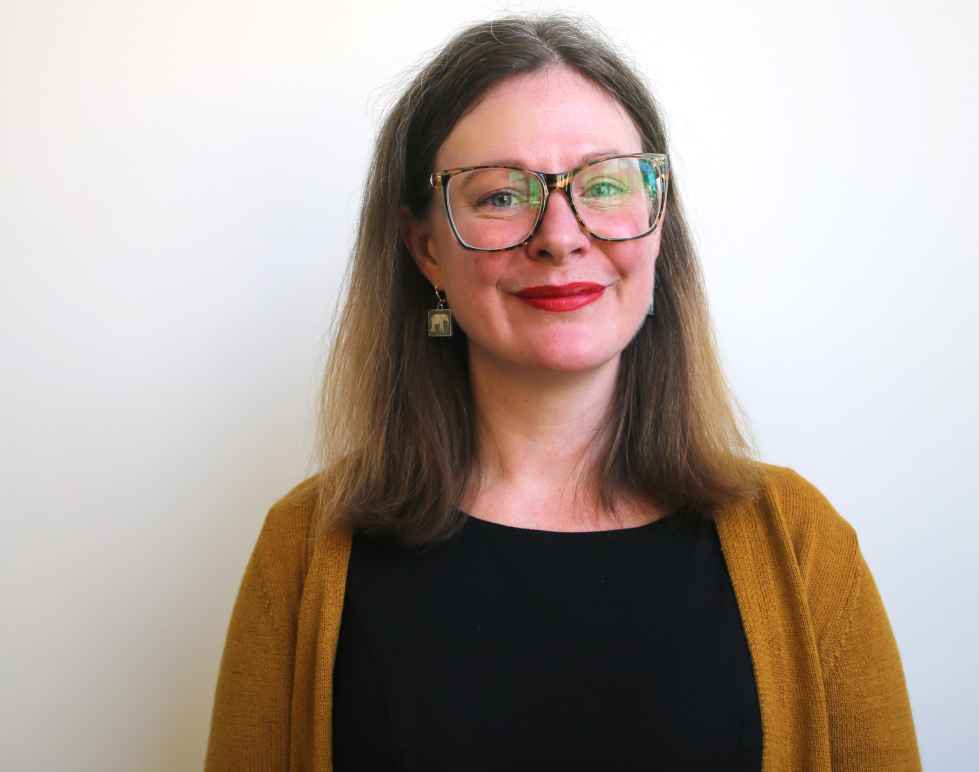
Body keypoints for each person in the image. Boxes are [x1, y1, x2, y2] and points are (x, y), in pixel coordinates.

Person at [205, 14, 922, 772]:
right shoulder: (307, 548)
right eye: (499, 196)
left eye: (604, 184)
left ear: (657, 225)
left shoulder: (799, 544)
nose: (560, 234)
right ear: (425, 250)